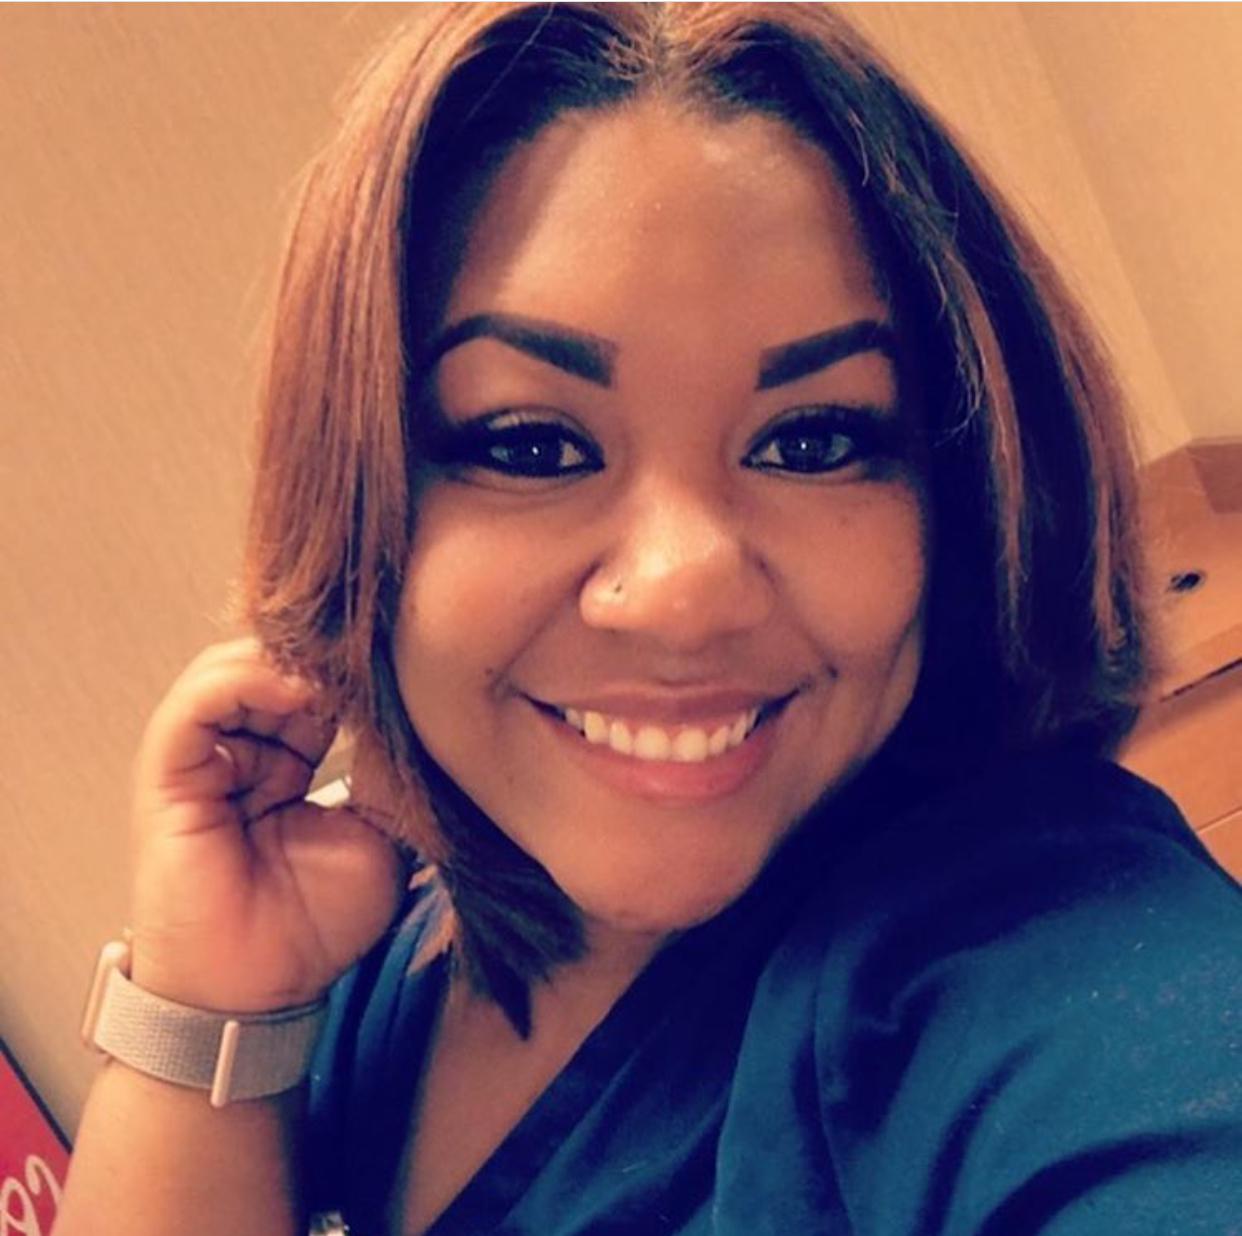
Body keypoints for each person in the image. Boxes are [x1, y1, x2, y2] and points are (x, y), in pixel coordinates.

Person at [56, 4, 1240, 1235]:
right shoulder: (370, 936)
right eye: (532, 445)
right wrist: (208, 1008)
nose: (684, 588)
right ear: (364, 513)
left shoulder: (1027, 948)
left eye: (812, 440)